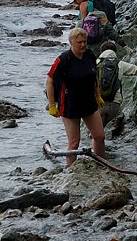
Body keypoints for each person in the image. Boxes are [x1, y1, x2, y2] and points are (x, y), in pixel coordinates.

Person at [45, 27, 105, 166]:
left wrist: (98, 95)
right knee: (74, 142)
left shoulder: (89, 55)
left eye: (85, 41)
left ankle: (101, 164)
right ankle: (70, 170)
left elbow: (94, 76)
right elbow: (49, 81)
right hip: (70, 104)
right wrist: (52, 105)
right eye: (79, 42)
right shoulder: (64, 59)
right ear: (71, 42)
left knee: (99, 136)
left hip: (89, 101)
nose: (83, 45)